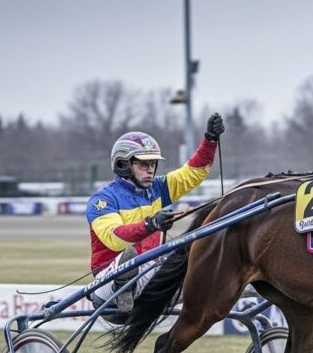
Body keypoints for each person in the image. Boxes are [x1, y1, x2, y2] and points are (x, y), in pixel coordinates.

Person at [87, 114, 225, 316]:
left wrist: (210, 141)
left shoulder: (157, 188)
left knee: (196, 256)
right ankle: (124, 290)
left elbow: (191, 174)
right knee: (129, 258)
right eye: (144, 164)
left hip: (151, 273)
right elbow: (114, 239)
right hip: (107, 284)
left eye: (153, 164)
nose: (150, 170)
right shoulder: (103, 200)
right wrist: (150, 224)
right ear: (123, 164)